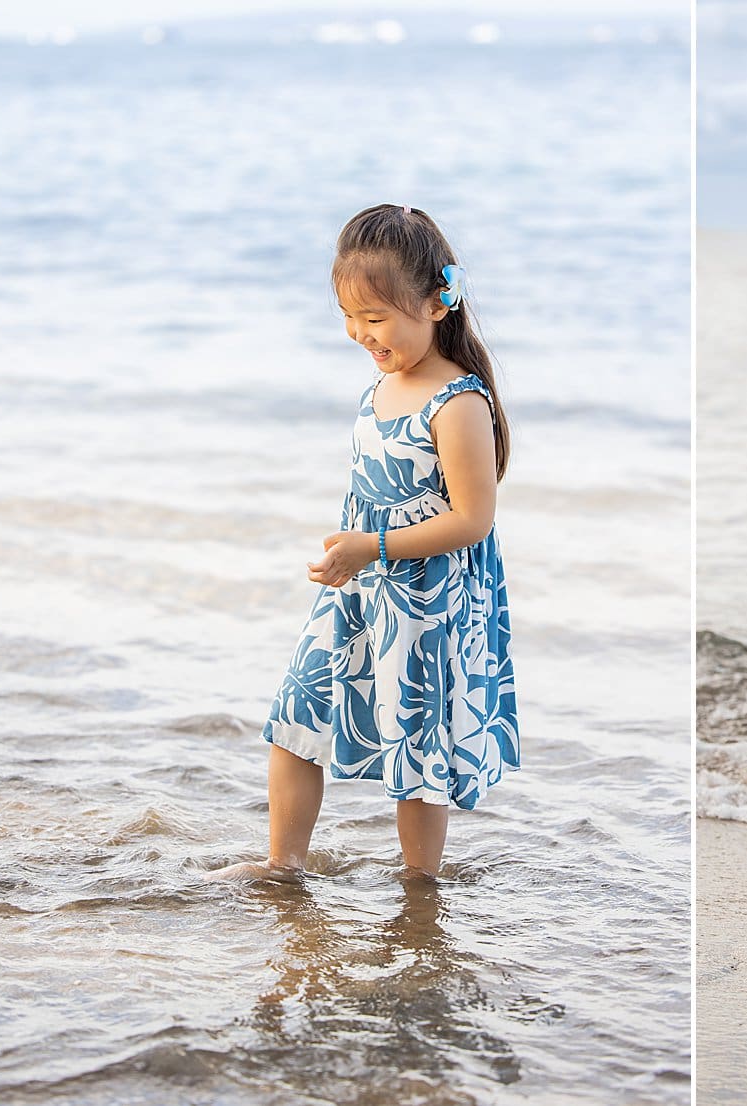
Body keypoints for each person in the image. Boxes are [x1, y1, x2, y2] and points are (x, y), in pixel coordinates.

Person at [210, 203, 520, 883]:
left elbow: (472, 521)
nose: (359, 333)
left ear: (438, 304)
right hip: (358, 589)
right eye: (349, 317)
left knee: (416, 748)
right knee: (297, 713)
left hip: (426, 604)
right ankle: (283, 862)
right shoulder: (381, 387)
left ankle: (419, 884)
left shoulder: (458, 402)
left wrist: (371, 546)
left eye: (375, 319)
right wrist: (351, 552)